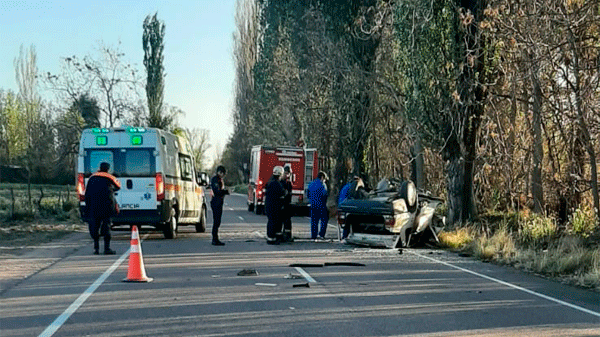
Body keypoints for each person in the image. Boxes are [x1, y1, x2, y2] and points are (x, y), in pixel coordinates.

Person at [85, 162, 121, 255]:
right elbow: (118, 186)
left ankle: (96, 248)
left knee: (95, 227)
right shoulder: (109, 177)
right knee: (106, 227)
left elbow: (87, 193)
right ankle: (107, 248)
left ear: (99, 167)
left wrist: (87, 207)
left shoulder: (92, 178)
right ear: (108, 169)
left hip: (94, 206)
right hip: (107, 206)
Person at [265, 166, 286, 244]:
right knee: (273, 222)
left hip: (269, 206)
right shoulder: (277, 184)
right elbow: (281, 194)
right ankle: (272, 238)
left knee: (272, 222)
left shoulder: (271, 182)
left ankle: (273, 237)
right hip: (274, 207)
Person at [210, 165, 229, 246]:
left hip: (219, 202)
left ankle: (215, 238)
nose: (223, 175)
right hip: (216, 202)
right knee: (216, 221)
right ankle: (214, 239)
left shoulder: (219, 179)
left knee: (218, 221)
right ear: (219, 172)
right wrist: (225, 192)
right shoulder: (215, 179)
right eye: (222, 173)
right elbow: (217, 191)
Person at [307, 171, 329, 241]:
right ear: (322, 178)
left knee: (314, 221)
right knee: (324, 220)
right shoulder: (323, 185)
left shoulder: (311, 184)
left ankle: (313, 236)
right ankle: (321, 234)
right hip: (321, 205)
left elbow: (308, 194)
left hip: (313, 205)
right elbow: (325, 195)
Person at [281, 166, 294, 242]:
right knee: (281, 221)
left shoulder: (289, 183)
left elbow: (289, 194)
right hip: (282, 205)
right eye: (286, 173)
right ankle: (281, 236)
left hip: (287, 205)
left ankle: (287, 236)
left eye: (288, 173)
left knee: (287, 222)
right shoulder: (281, 182)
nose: (287, 175)